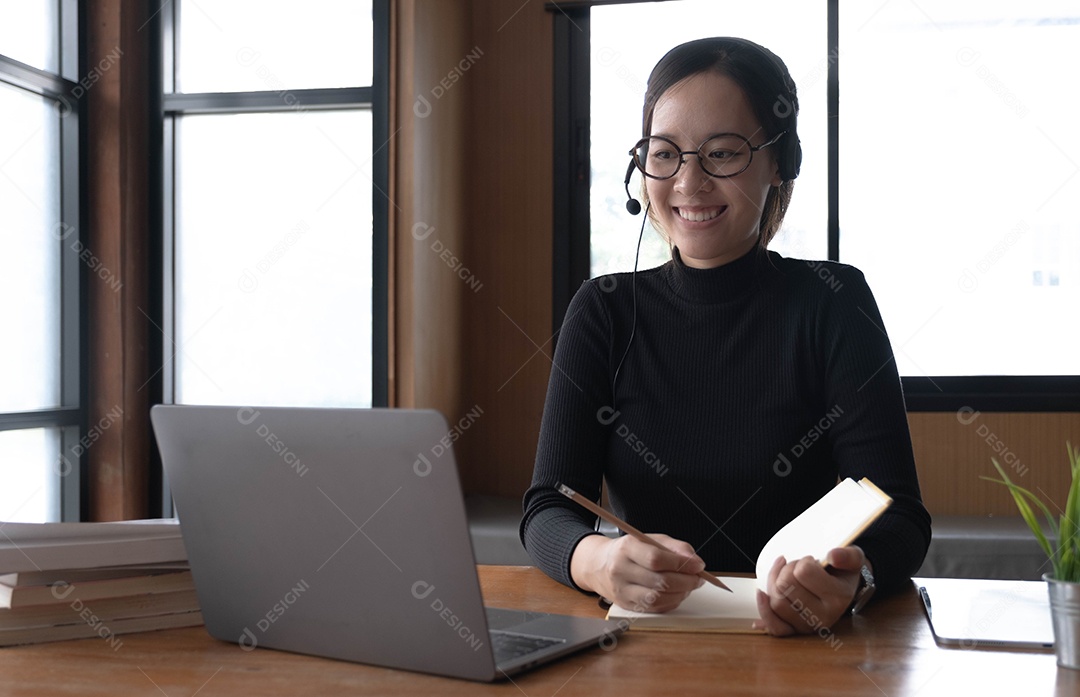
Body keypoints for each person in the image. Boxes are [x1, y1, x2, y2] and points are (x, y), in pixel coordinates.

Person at [519, 37, 931, 636]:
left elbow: (898, 512)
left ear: (779, 161)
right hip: (645, 647)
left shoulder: (834, 303)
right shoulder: (603, 311)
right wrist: (600, 561)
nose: (689, 182)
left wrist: (854, 576)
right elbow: (549, 507)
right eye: (665, 154)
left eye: (722, 153)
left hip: (809, 655)